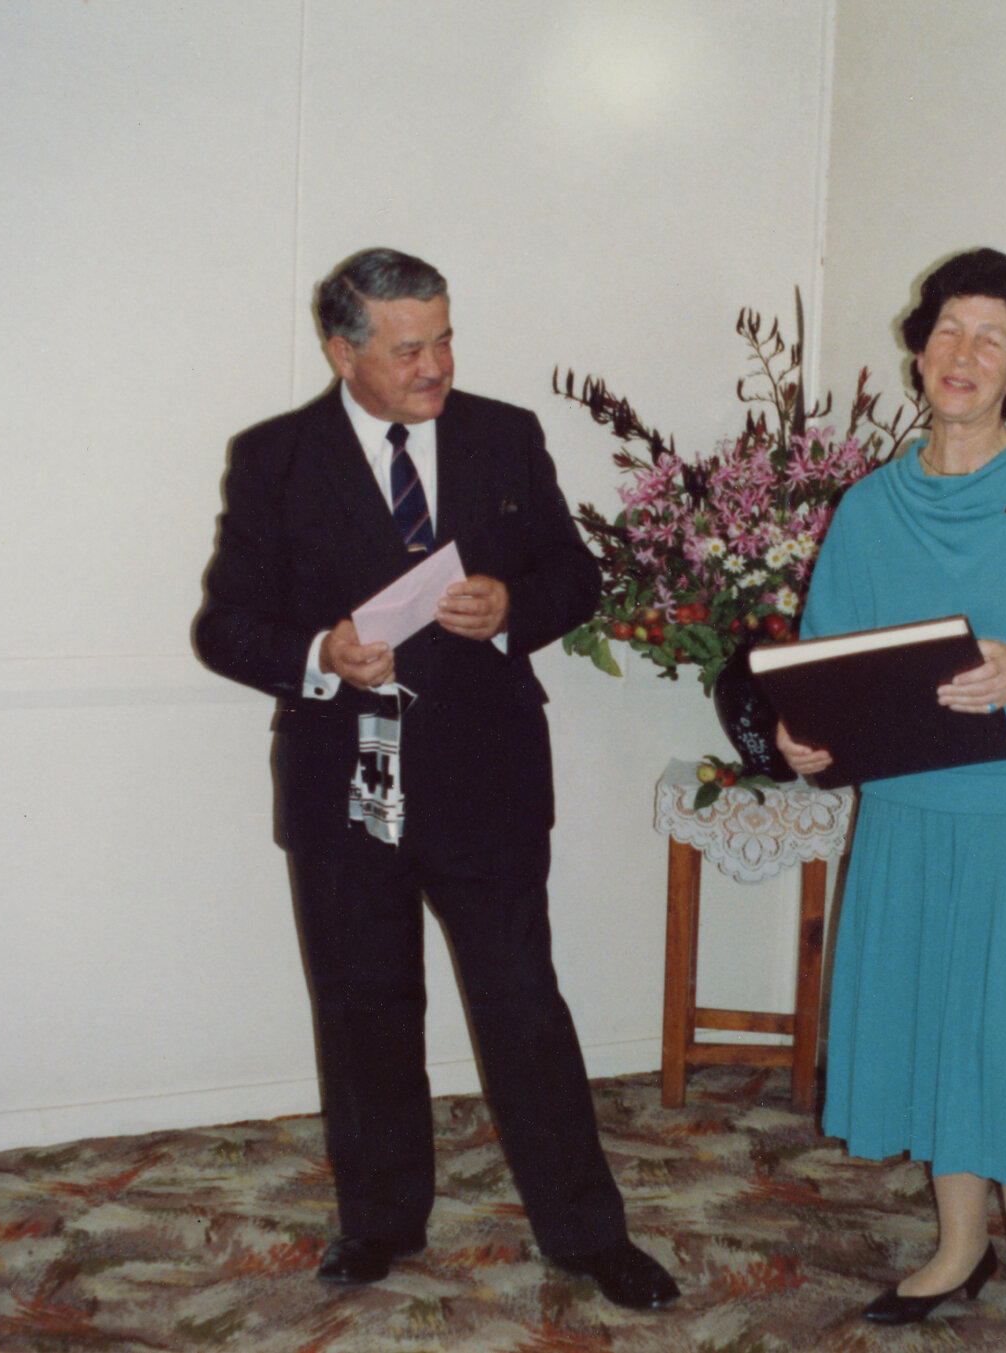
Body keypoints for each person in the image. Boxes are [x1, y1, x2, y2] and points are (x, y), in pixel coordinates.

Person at [195, 247, 679, 1310]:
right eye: (409, 347)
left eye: (446, 337)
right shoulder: (272, 458)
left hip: (487, 776)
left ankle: (588, 1233)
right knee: (364, 1010)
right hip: (344, 784)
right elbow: (225, 624)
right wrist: (320, 655)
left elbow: (574, 575)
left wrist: (514, 606)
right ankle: (378, 1224)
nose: (436, 365)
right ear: (343, 350)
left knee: (523, 1010)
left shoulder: (505, 434)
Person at [776, 248, 1006, 1353]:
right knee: (935, 1026)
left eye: (990, 339)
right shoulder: (870, 504)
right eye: (946, 331)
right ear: (917, 349)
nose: (961, 355)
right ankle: (955, 1246)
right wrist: (804, 734)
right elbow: (822, 655)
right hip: (910, 802)